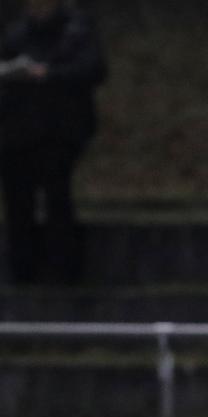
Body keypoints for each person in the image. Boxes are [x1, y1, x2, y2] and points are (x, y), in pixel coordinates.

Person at [0, 0, 106, 284]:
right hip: (18, 132)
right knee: (18, 202)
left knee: (57, 197)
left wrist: (48, 75)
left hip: (60, 130)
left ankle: (64, 269)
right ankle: (23, 269)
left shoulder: (77, 30)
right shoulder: (18, 33)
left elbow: (93, 69)